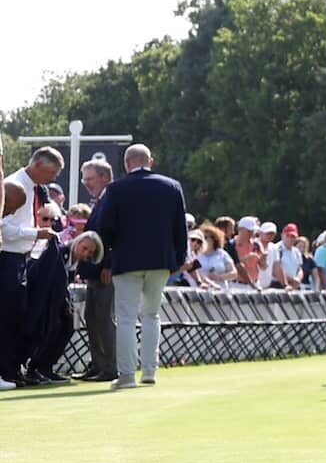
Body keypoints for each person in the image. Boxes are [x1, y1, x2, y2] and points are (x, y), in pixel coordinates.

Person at [86, 143, 188, 389]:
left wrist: (106, 262)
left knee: (126, 318)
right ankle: (150, 370)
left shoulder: (116, 189)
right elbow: (180, 227)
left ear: (126, 163)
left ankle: (127, 375)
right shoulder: (171, 186)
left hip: (126, 262)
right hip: (160, 261)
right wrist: (179, 260)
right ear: (150, 161)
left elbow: (106, 230)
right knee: (152, 315)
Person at [2, 145, 66, 388]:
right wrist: (36, 233)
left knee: (17, 317)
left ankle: (10, 370)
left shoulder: (33, 188)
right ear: (37, 165)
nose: (53, 179)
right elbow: (3, 227)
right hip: (7, 258)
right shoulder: (14, 186)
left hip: (19, 258)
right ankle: (5, 372)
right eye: (52, 172)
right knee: (8, 318)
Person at [75, 160, 117, 383]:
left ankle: (109, 367)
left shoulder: (111, 199)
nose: (86, 183)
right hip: (95, 269)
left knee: (102, 318)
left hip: (104, 270)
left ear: (104, 177)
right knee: (92, 317)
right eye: (84, 178)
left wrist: (109, 264)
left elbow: (112, 234)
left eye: (89, 178)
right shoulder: (101, 200)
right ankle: (98, 364)